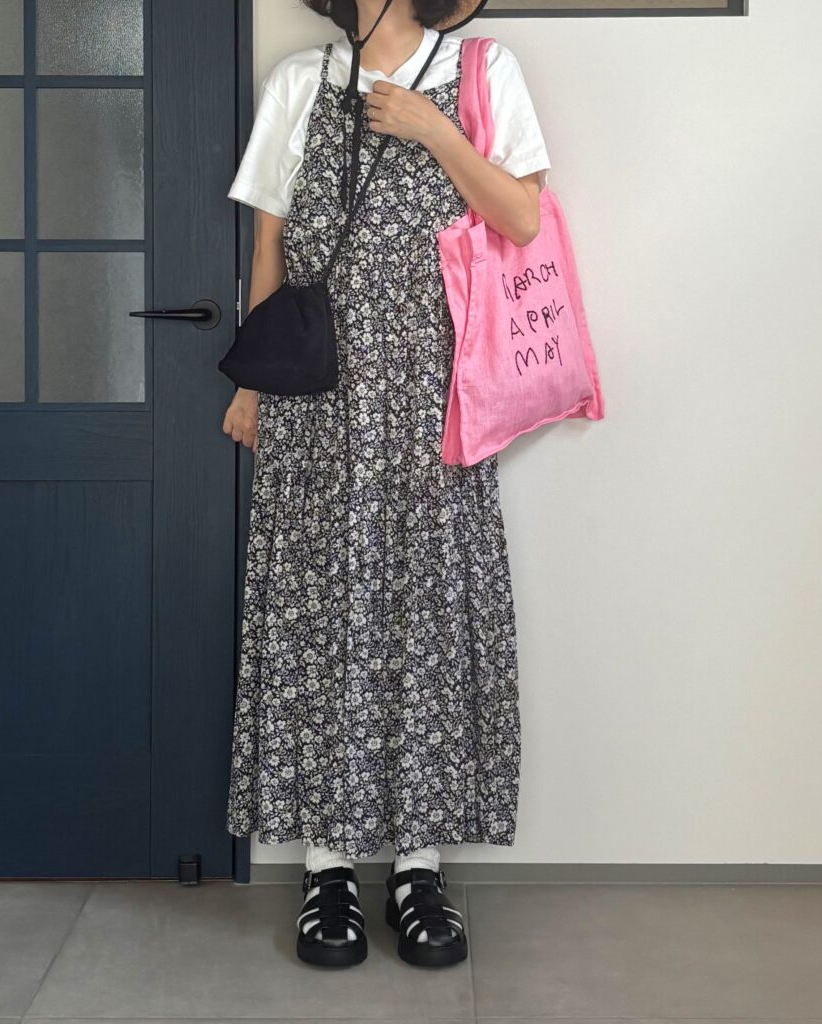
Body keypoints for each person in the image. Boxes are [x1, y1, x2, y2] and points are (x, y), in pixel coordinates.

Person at [222, 0, 551, 969]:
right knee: (317, 616)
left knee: (427, 613)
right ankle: (325, 867)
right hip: (317, 401)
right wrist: (252, 383)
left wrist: (433, 129)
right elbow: (270, 248)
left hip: (438, 400)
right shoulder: (300, 82)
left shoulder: (480, 74)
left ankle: (418, 866)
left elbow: (522, 216)